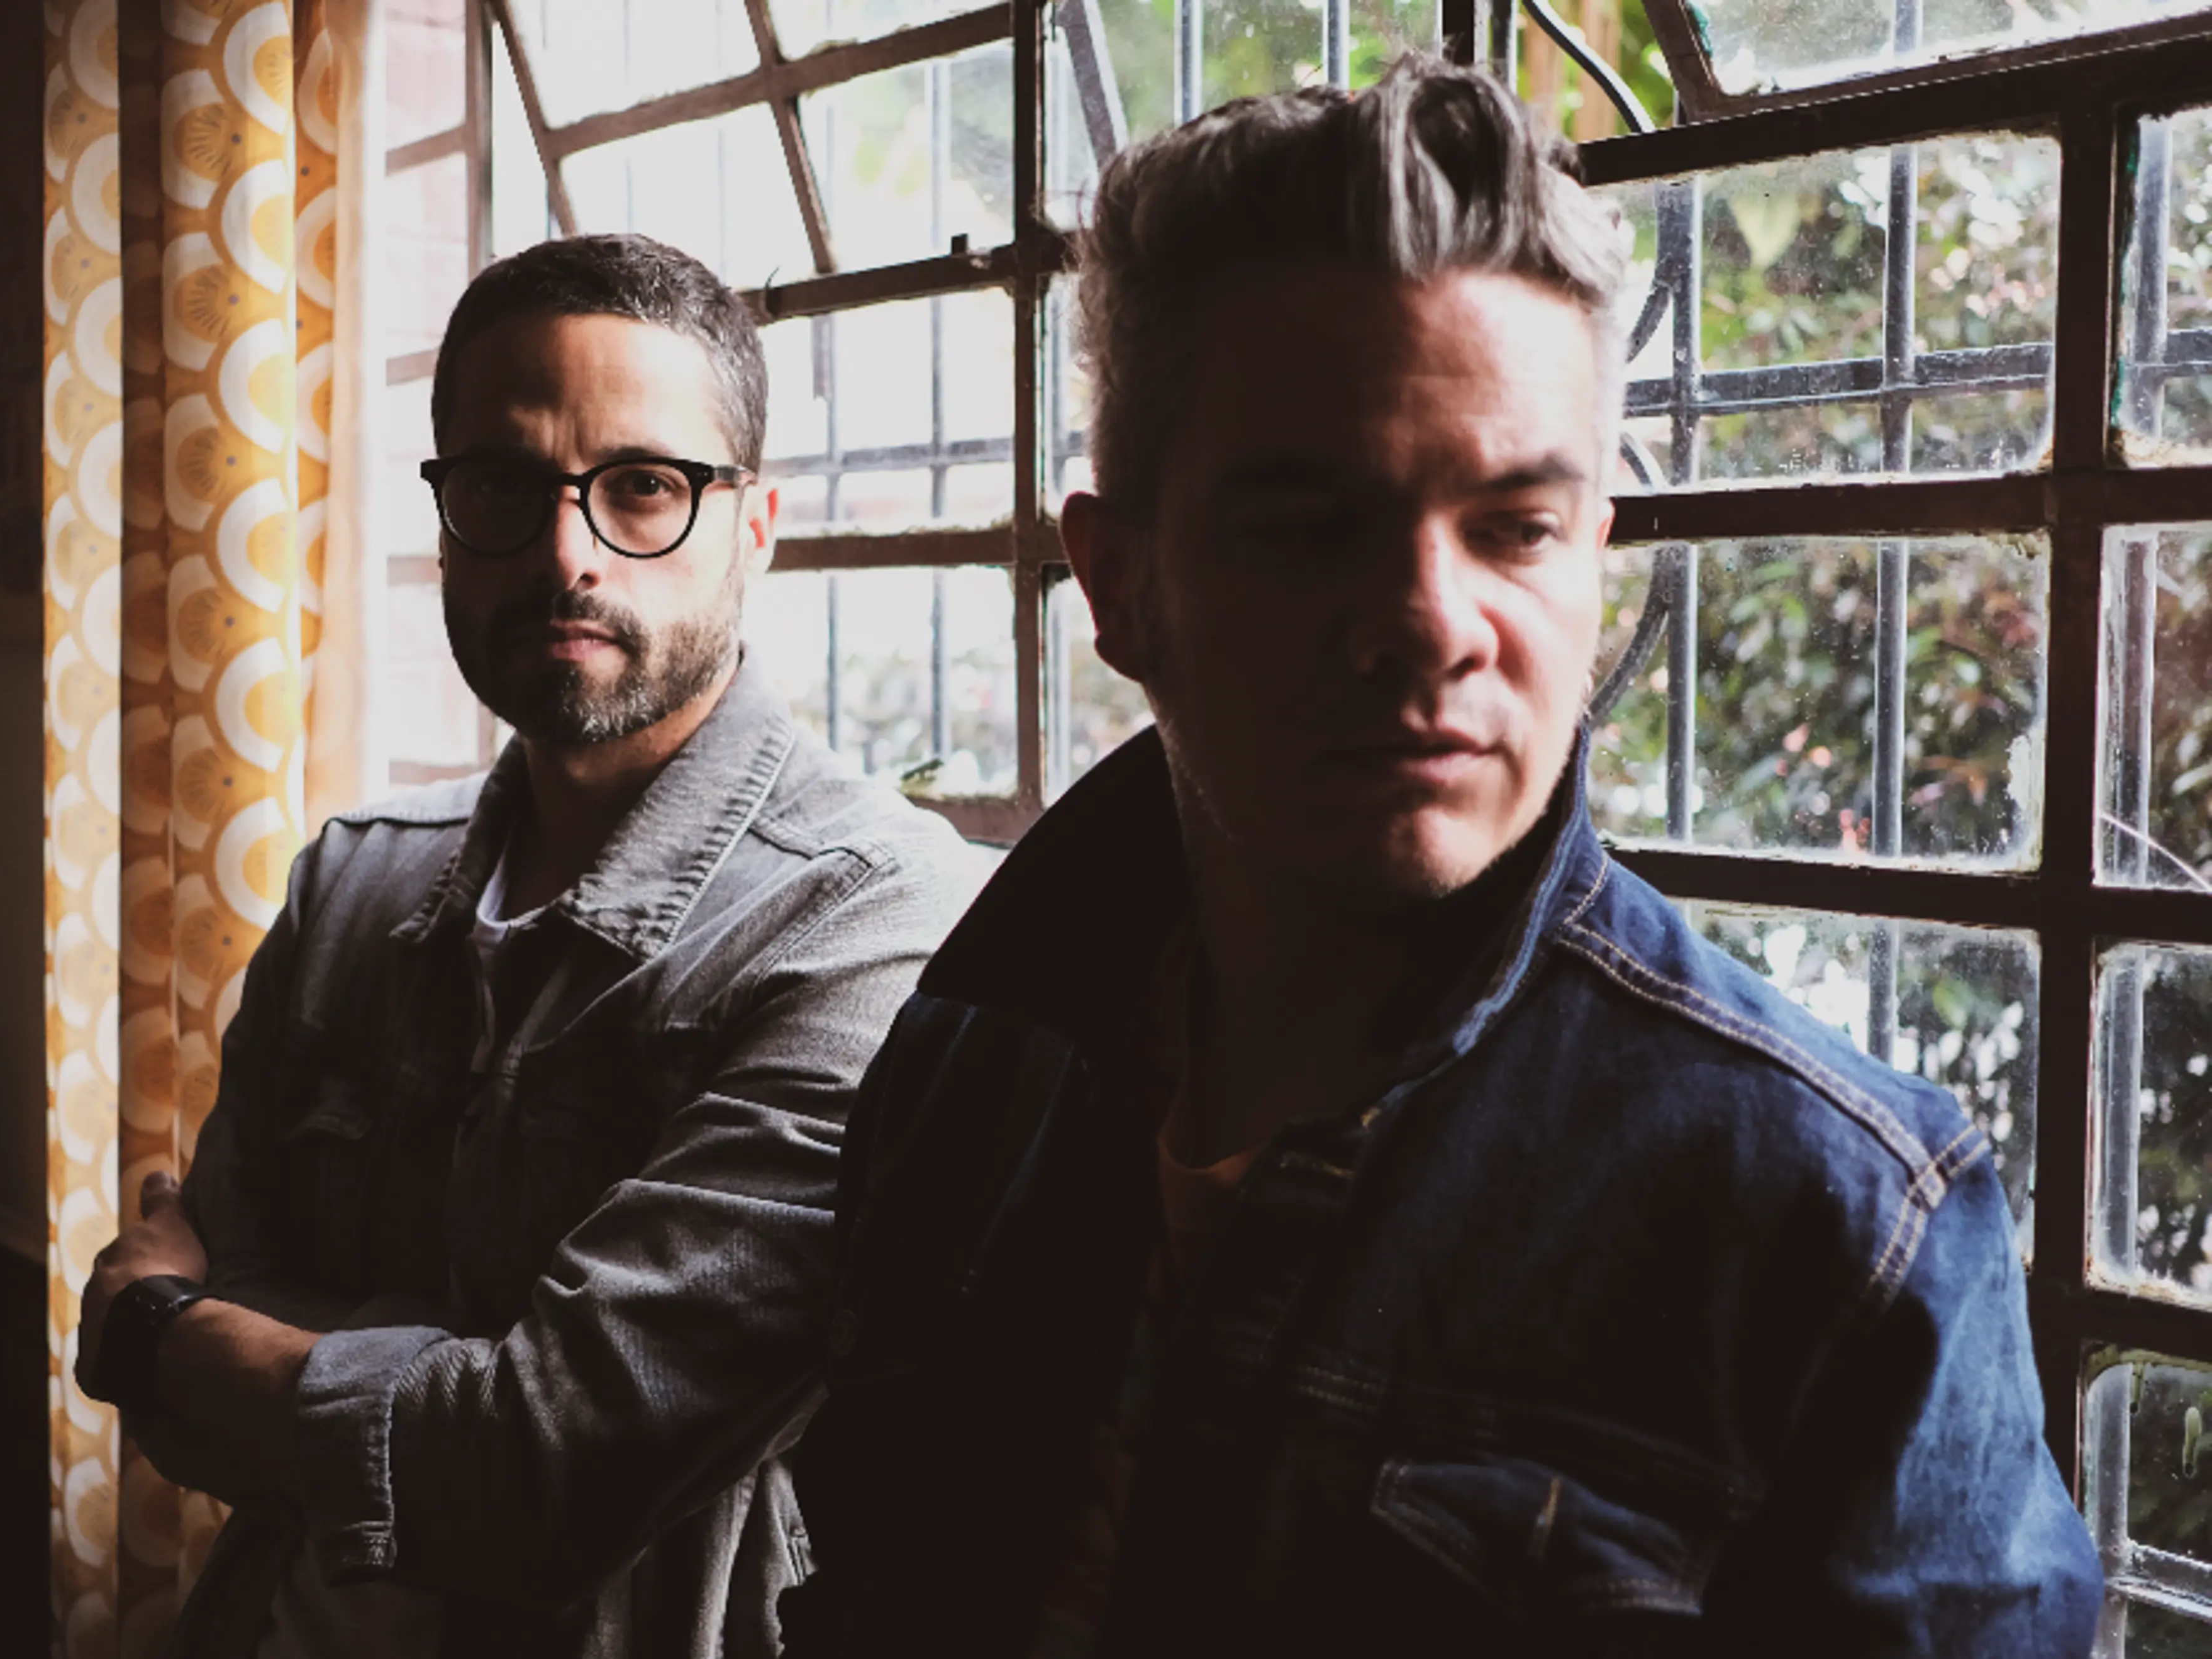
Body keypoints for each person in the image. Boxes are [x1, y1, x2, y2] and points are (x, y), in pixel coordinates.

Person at [782, 57, 2102, 1658]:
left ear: (1595, 559)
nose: (1428, 621)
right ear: (1120, 587)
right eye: (1305, 528)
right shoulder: (966, 1063)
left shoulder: (1835, 1226)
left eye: (1516, 527)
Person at [74, 233, 979, 1659]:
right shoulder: (354, 877)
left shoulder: (873, 919)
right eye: (504, 485)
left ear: (755, 525)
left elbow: (541, 1470)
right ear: (446, 521)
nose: (568, 554)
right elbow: (194, 1437)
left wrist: (160, 1329)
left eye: (644, 486)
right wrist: (390, 1383)